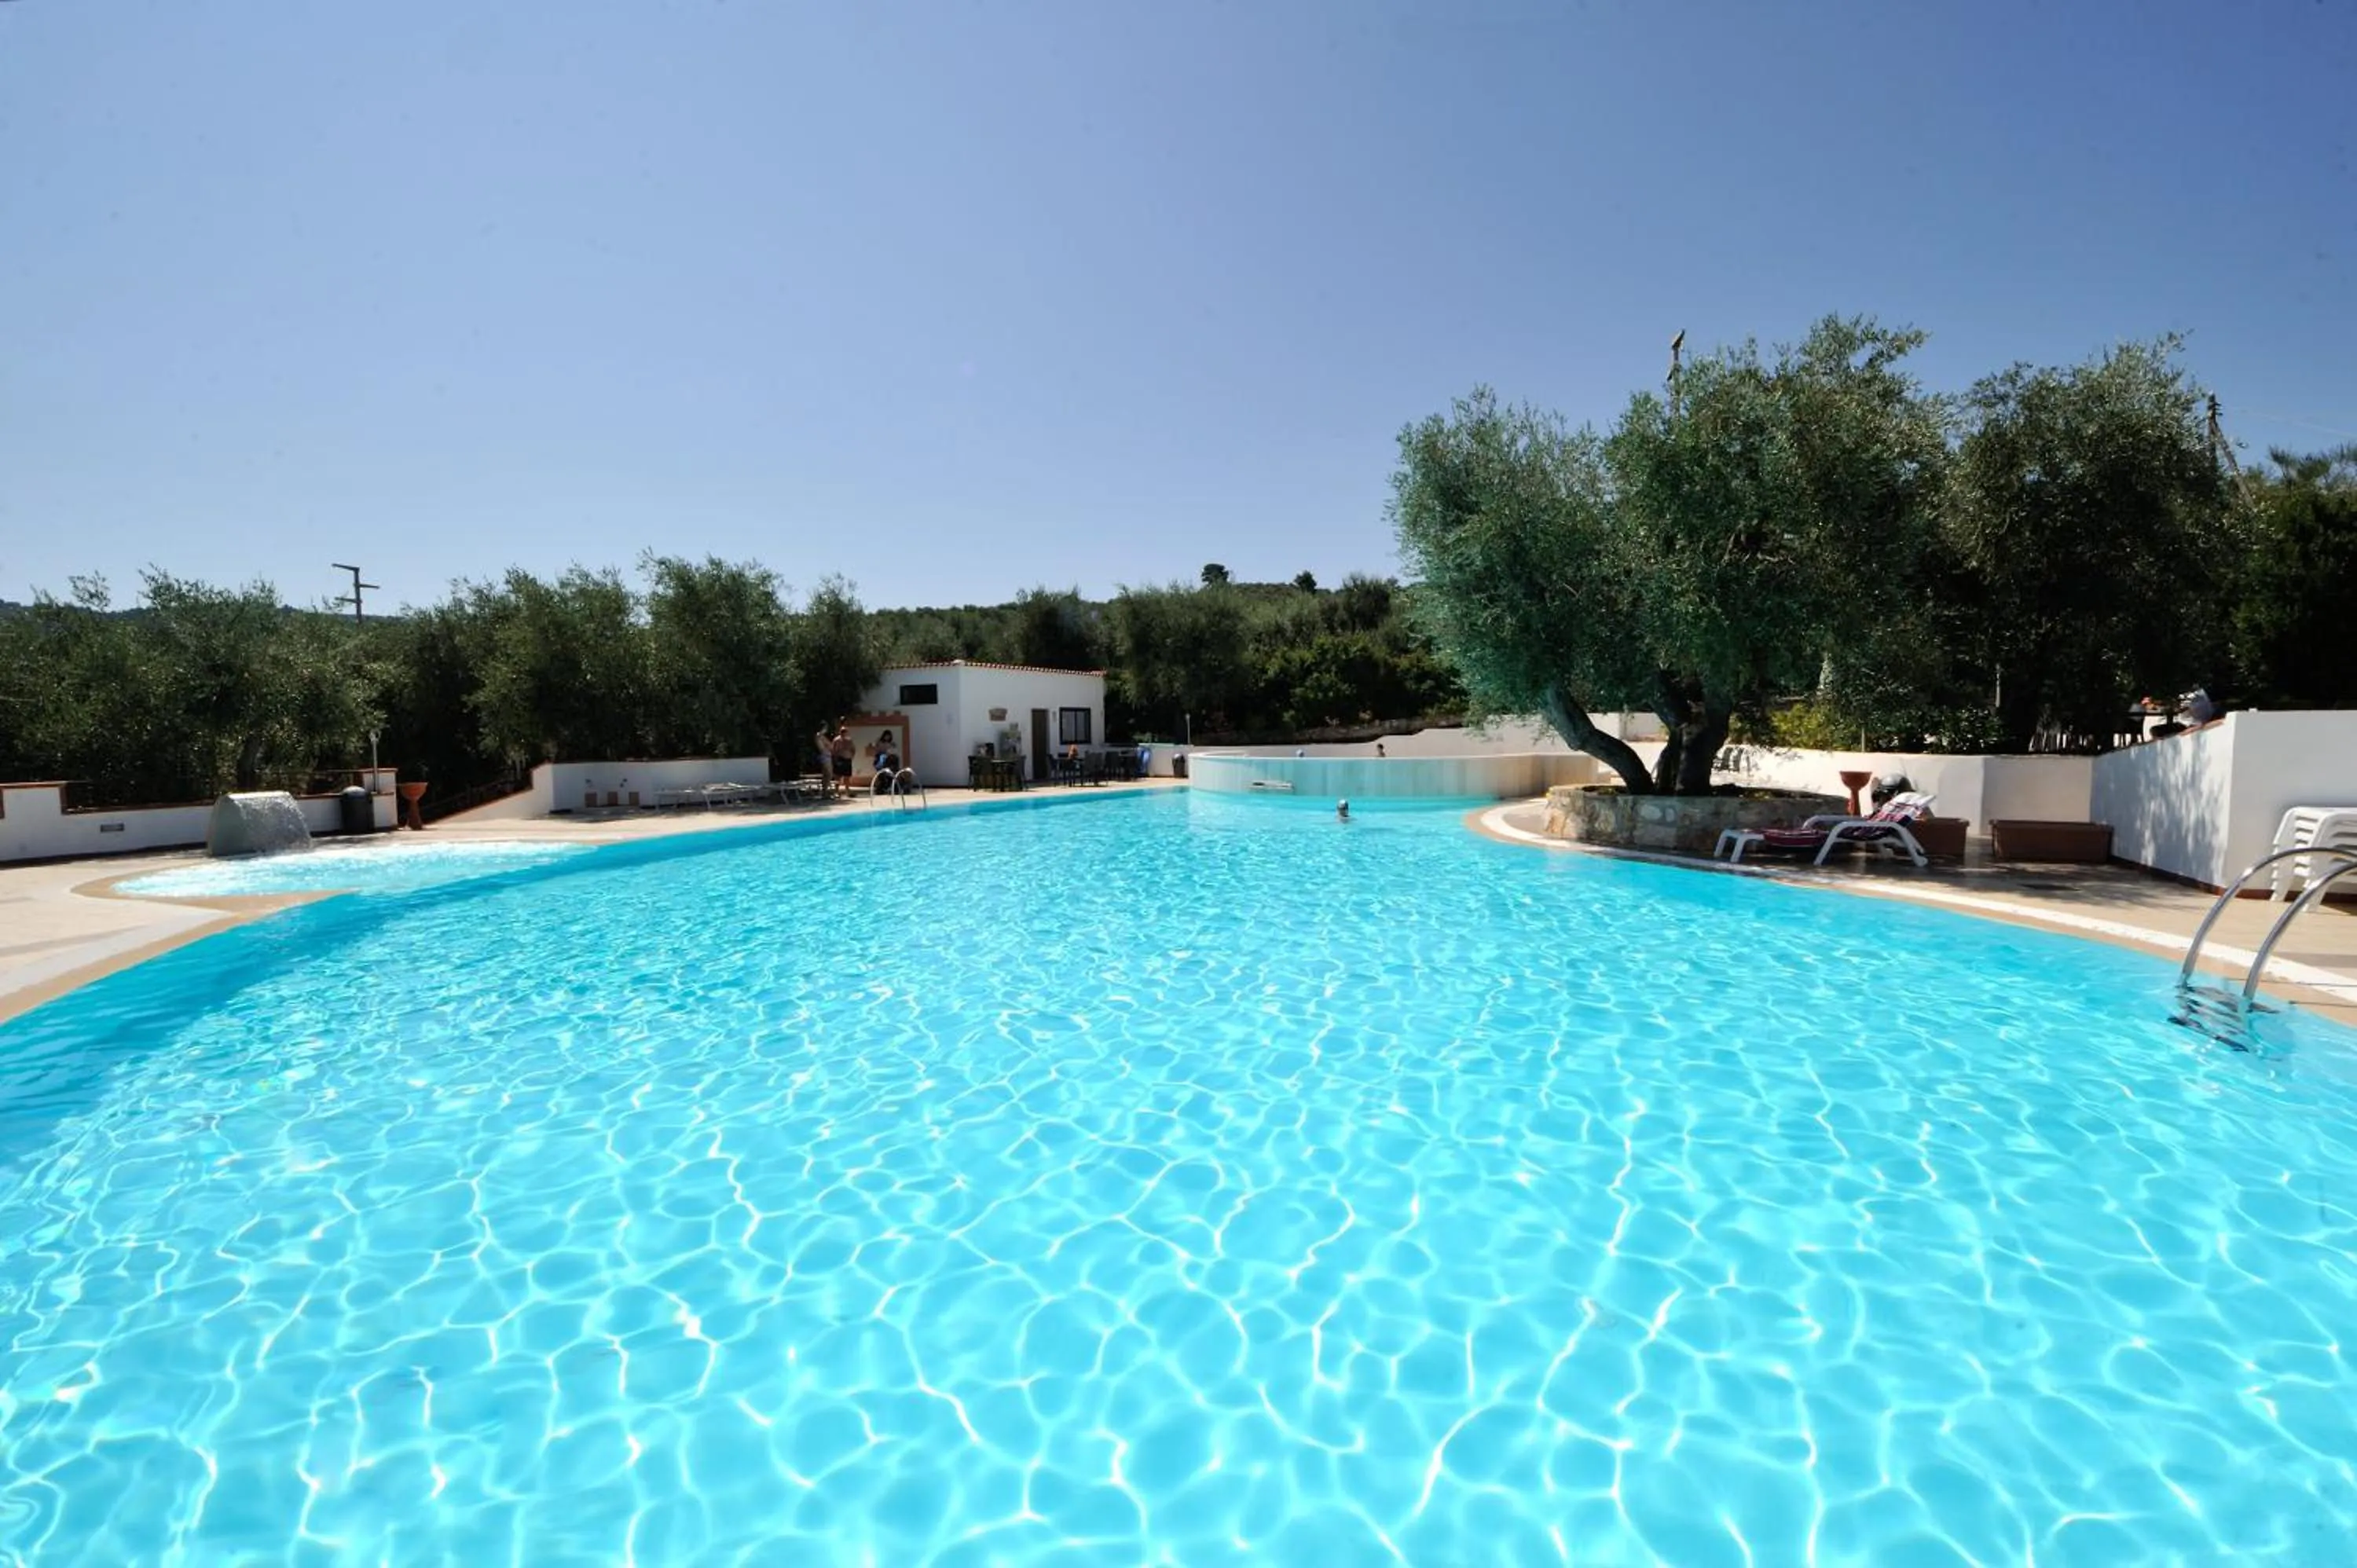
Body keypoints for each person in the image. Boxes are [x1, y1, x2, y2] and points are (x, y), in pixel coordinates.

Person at [829, 725, 854, 792]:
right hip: (839, 759)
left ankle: (847, 790)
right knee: (838, 776)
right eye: (842, 731)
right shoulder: (836, 740)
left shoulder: (849, 740)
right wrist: (835, 760)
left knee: (847, 776)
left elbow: (853, 749)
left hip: (847, 759)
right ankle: (836, 790)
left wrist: (852, 756)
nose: (844, 733)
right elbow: (833, 750)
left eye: (845, 731)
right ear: (840, 732)